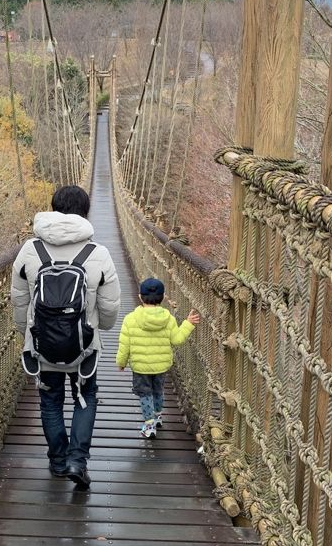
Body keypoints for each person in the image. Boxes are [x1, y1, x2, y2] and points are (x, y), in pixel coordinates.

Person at [11, 185, 121, 489]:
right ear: (84, 213)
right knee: (86, 398)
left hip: (42, 346)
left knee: (50, 401)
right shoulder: (98, 253)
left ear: (52, 208)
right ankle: (77, 460)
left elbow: (19, 301)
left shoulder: (29, 250)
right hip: (84, 348)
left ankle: (58, 461)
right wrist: (102, 328)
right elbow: (110, 307)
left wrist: (27, 336)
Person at [116, 277, 200, 438]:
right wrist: (188, 323)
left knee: (145, 393)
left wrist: (121, 362)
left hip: (140, 367)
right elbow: (177, 339)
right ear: (162, 297)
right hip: (161, 365)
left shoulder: (130, 319)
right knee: (158, 391)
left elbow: (124, 345)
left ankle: (149, 426)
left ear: (140, 296)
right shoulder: (168, 318)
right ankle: (158, 416)